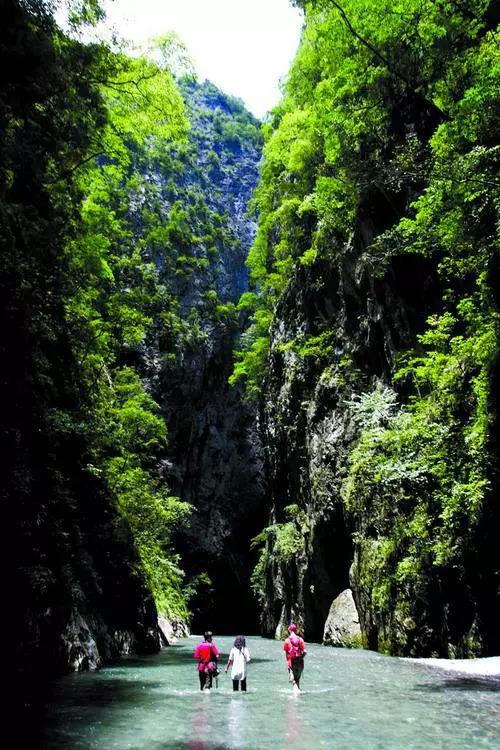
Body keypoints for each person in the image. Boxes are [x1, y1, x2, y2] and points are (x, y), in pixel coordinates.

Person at [283, 623, 307, 692]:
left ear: (289, 630)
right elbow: (305, 651)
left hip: (292, 662)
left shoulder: (287, 640)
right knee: (297, 680)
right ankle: (298, 694)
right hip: (300, 662)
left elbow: (287, 654)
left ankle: (295, 699)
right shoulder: (300, 639)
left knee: (294, 681)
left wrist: (288, 665)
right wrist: (301, 657)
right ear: (296, 630)